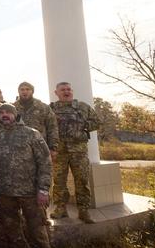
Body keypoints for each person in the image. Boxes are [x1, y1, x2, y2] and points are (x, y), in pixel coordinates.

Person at [0, 104, 52, 247]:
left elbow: (45, 162)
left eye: (8, 112)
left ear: (15, 114)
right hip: (4, 193)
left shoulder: (31, 133)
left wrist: (43, 190)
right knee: (12, 233)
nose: (4, 115)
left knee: (37, 232)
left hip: (30, 193)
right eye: (1, 113)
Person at [50, 82, 99, 224]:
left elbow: (97, 121)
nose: (66, 92)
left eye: (68, 89)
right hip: (59, 152)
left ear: (72, 91)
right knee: (58, 182)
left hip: (79, 151)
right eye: (62, 90)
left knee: (82, 181)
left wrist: (81, 126)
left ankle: (83, 211)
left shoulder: (83, 107)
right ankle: (60, 209)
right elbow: (46, 125)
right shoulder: (51, 109)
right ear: (56, 92)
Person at [14, 81, 59, 159]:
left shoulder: (43, 107)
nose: (25, 92)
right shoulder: (13, 108)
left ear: (32, 91)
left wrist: (53, 147)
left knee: (42, 170)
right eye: (22, 89)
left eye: (27, 89)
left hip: (40, 147)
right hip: (19, 147)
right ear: (18, 91)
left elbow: (52, 127)